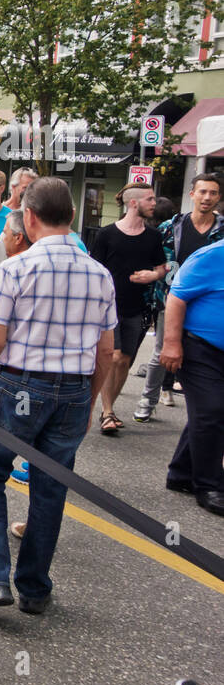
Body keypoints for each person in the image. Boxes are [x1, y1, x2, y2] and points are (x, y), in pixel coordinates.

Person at [0, 177, 116, 614]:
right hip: (72, 388)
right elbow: (106, 350)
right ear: (70, 217)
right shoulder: (99, 274)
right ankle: (34, 586)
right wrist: (88, 399)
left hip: (18, 383)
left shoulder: (16, 268)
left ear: (28, 217)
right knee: (50, 486)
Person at [135, 172, 224, 424]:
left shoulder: (222, 229)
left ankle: (192, 410)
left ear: (218, 198)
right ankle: (147, 400)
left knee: (200, 357)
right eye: (203, 192)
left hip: (207, 305)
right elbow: (156, 260)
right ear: (192, 194)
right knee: (162, 352)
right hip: (172, 298)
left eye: (213, 193)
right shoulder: (171, 226)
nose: (207, 197)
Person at [89, 183, 167, 435]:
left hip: (137, 307)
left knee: (124, 361)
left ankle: (107, 409)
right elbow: (94, 270)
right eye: (150, 199)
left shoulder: (154, 236)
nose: (154, 203)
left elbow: (163, 267)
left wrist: (152, 275)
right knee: (113, 356)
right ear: (134, 203)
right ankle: (107, 411)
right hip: (108, 308)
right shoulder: (106, 234)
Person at [160, 236, 224, 516]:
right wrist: (171, 343)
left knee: (207, 413)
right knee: (211, 410)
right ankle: (209, 485)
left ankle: (180, 474)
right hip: (199, 348)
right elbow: (176, 297)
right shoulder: (211, 256)